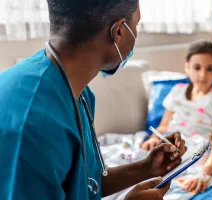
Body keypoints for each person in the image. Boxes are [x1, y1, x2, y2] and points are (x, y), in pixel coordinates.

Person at [0, 1, 187, 200]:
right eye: (137, 25)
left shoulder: (72, 88)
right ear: (119, 32)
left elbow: (83, 184)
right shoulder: (33, 125)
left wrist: (146, 168)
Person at [141, 41, 212, 198]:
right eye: (197, 67)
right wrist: (153, 138)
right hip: (169, 142)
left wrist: (205, 174)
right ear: (187, 67)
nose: (202, 75)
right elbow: (163, 125)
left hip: (195, 148)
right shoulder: (177, 91)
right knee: (141, 165)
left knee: (182, 182)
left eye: (210, 69)